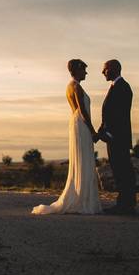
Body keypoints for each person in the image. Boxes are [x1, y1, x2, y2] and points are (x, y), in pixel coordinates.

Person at [31, 59, 102, 215]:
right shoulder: (75, 86)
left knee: (82, 159)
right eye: (84, 70)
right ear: (77, 70)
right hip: (81, 124)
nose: (86, 73)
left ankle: (81, 195)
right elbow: (83, 111)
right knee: (83, 159)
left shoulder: (70, 86)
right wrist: (93, 131)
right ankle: (82, 199)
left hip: (75, 123)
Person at [97, 59, 136, 214]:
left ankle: (126, 205)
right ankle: (124, 203)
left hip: (118, 139)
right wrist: (100, 132)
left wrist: (108, 134)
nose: (102, 72)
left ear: (113, 69)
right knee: (119, 171)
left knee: (123, 171)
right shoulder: (115, 87)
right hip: (112, 138)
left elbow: (119, 116)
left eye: (105, 69)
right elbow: (107, 115)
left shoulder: (123, 88)